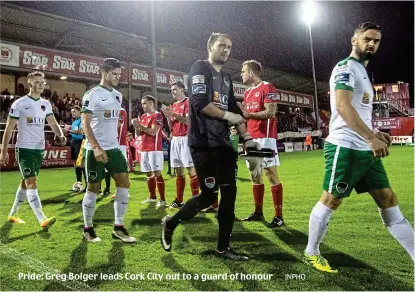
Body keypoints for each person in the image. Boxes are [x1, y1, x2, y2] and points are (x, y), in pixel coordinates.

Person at [303, 22, 414, 273]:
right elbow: (342, 107)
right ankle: (311, 252)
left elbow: (356, 112)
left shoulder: (363, 72)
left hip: (364, 148)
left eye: (376, 40)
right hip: (346, 147)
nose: (372, 43)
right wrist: (370, 138)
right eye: (367, 39)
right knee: (331, 200)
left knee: (388, 199)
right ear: (354, 40)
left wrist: (374, 134)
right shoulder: (345, 68)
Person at [161, 32, 262, 261]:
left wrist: (248, 139)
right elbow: (198, 104)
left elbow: (234, 111)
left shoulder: (226, 77)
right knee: (208, 197)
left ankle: (223, 248)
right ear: (210, 47)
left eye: (229, 47)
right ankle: (171, 222)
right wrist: (228, 116)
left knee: (230, 193)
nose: (226, 50)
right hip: (203, 143)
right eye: (222, 46)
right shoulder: (199, 69)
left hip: (224, 143)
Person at [0, 71, 66, 230]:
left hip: (38, 149)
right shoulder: (20, 103)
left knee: (25, 182)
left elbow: (52, 123)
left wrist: (61, 135)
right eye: (37, 82)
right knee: (32, 182)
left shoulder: (46, 103)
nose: (41, 84)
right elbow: (9, 128)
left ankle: (13, 214)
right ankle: (42, 219)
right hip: (24, 149)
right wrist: (3, 151)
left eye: (42, 81)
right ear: (30, 84)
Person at [80, 58, 136, 243]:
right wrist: (96, 146)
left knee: (124, 183)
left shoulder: (118, 95)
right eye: (114, 74)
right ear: (104, 73)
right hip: (94, 149)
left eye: (119, 74)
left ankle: (118, 227)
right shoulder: (92, 95)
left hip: (113, 149)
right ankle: (88, 229)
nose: (117, 77)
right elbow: (85, 124)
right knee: (93, 188)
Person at [239, 59, 284, 228]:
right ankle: (258, 212)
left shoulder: (268, 87)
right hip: (251, 138)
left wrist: (250, 115)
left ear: (251, 72)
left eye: (243, 71)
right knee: (255, 175)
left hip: (265, 138)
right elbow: (246, 115)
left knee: (271, 175)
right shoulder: (247, 93)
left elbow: (271, 112)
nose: (241, 74)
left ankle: (279, 216)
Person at [161, 81, 200, 210]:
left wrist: (174, 114)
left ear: (182, 89)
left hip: (186, 138)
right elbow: (172, 126)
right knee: (178, 170)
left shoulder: (189, 102)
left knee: (191, 169)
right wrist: (168, 116)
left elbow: (189, 121)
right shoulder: (174, 105)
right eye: (171, 90)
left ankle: (196, 201)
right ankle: (179, 200)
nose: (173, 92)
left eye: (175, 89)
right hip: (176, 139)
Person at [132, 95, 166, 207]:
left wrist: (140, 125)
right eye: (142, 104)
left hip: (155, 149)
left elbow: (153, 132)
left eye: (145, 103)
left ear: (151, 103)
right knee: (148, 173)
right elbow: (138, 135)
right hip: (144, 148)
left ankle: (162, 200)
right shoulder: (143, 116)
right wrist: (136, 127)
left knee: (157, 173)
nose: (143, 106)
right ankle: (152, 197)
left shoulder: (157, 115)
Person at [66, 106, 87, 190]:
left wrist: (68, 131)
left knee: (82, 164)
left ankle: (87, 185)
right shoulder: (74, 122)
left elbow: (80, 131)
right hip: (74, 142)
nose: (72, 113)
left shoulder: (82, 120)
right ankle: (78, 185)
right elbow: (74, 132)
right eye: (72, 112)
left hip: (80, 142)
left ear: (79, 111)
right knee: (76, 164)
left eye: (74, 111)